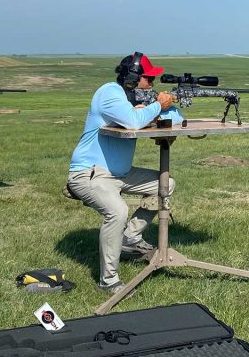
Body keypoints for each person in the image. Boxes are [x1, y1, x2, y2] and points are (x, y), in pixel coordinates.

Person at [66, 52, 176, 293]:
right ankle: (108, 281)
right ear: (133, 78)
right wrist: (158, 105)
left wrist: (164, 107)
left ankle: (130, 238)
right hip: (89, 173)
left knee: (165, 184)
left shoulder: (129, 101)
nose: (152, 85)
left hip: (120, 173)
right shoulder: (109, 93)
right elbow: (133, 121)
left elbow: (175, 117)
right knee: (117, 211)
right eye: (149, 79)